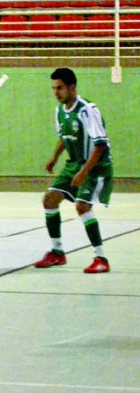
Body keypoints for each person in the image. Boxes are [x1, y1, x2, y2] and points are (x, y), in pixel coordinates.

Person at [34, 68, 113, 274]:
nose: (56, 93)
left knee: (82, 206)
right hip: (74, 163)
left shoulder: (87, 110)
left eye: (59, 88)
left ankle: (101, 257)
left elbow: (100, 144)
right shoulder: (59, 111)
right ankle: (58, 253)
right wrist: (54, 157)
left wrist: (85, 172)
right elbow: (64, 136)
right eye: (54, 88)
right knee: (49, 199)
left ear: (72, 87)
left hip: (95, 165)